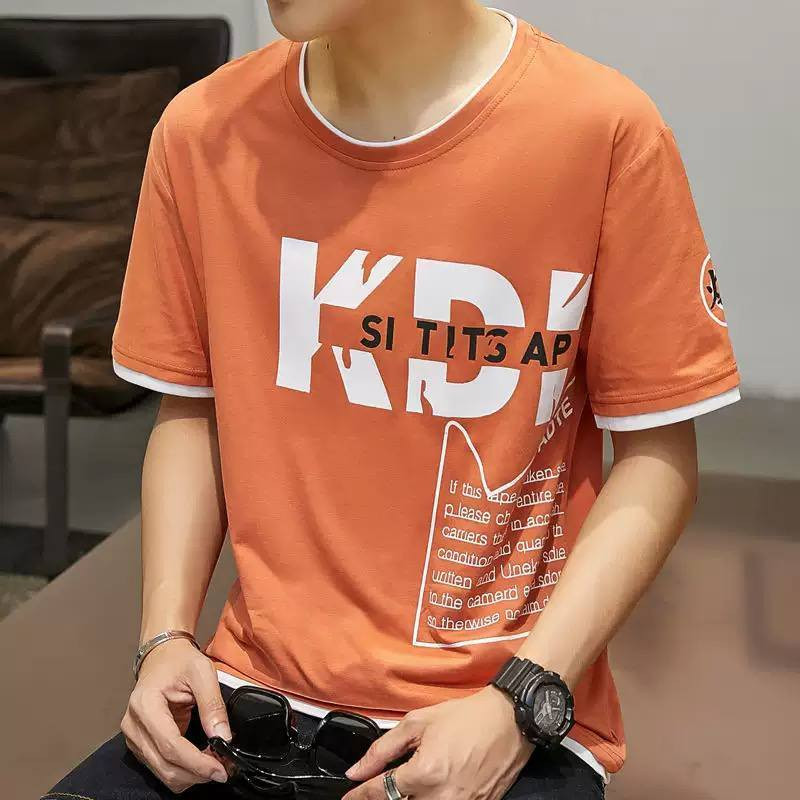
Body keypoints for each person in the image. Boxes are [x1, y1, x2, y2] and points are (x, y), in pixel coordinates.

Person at [45, 2, 741, 799]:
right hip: (245, 700)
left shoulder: (601, 131)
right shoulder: (204, 131)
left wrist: (520, 700)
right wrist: (163, 638)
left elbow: (657, 459)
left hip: (499, 713)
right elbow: (192, 408)